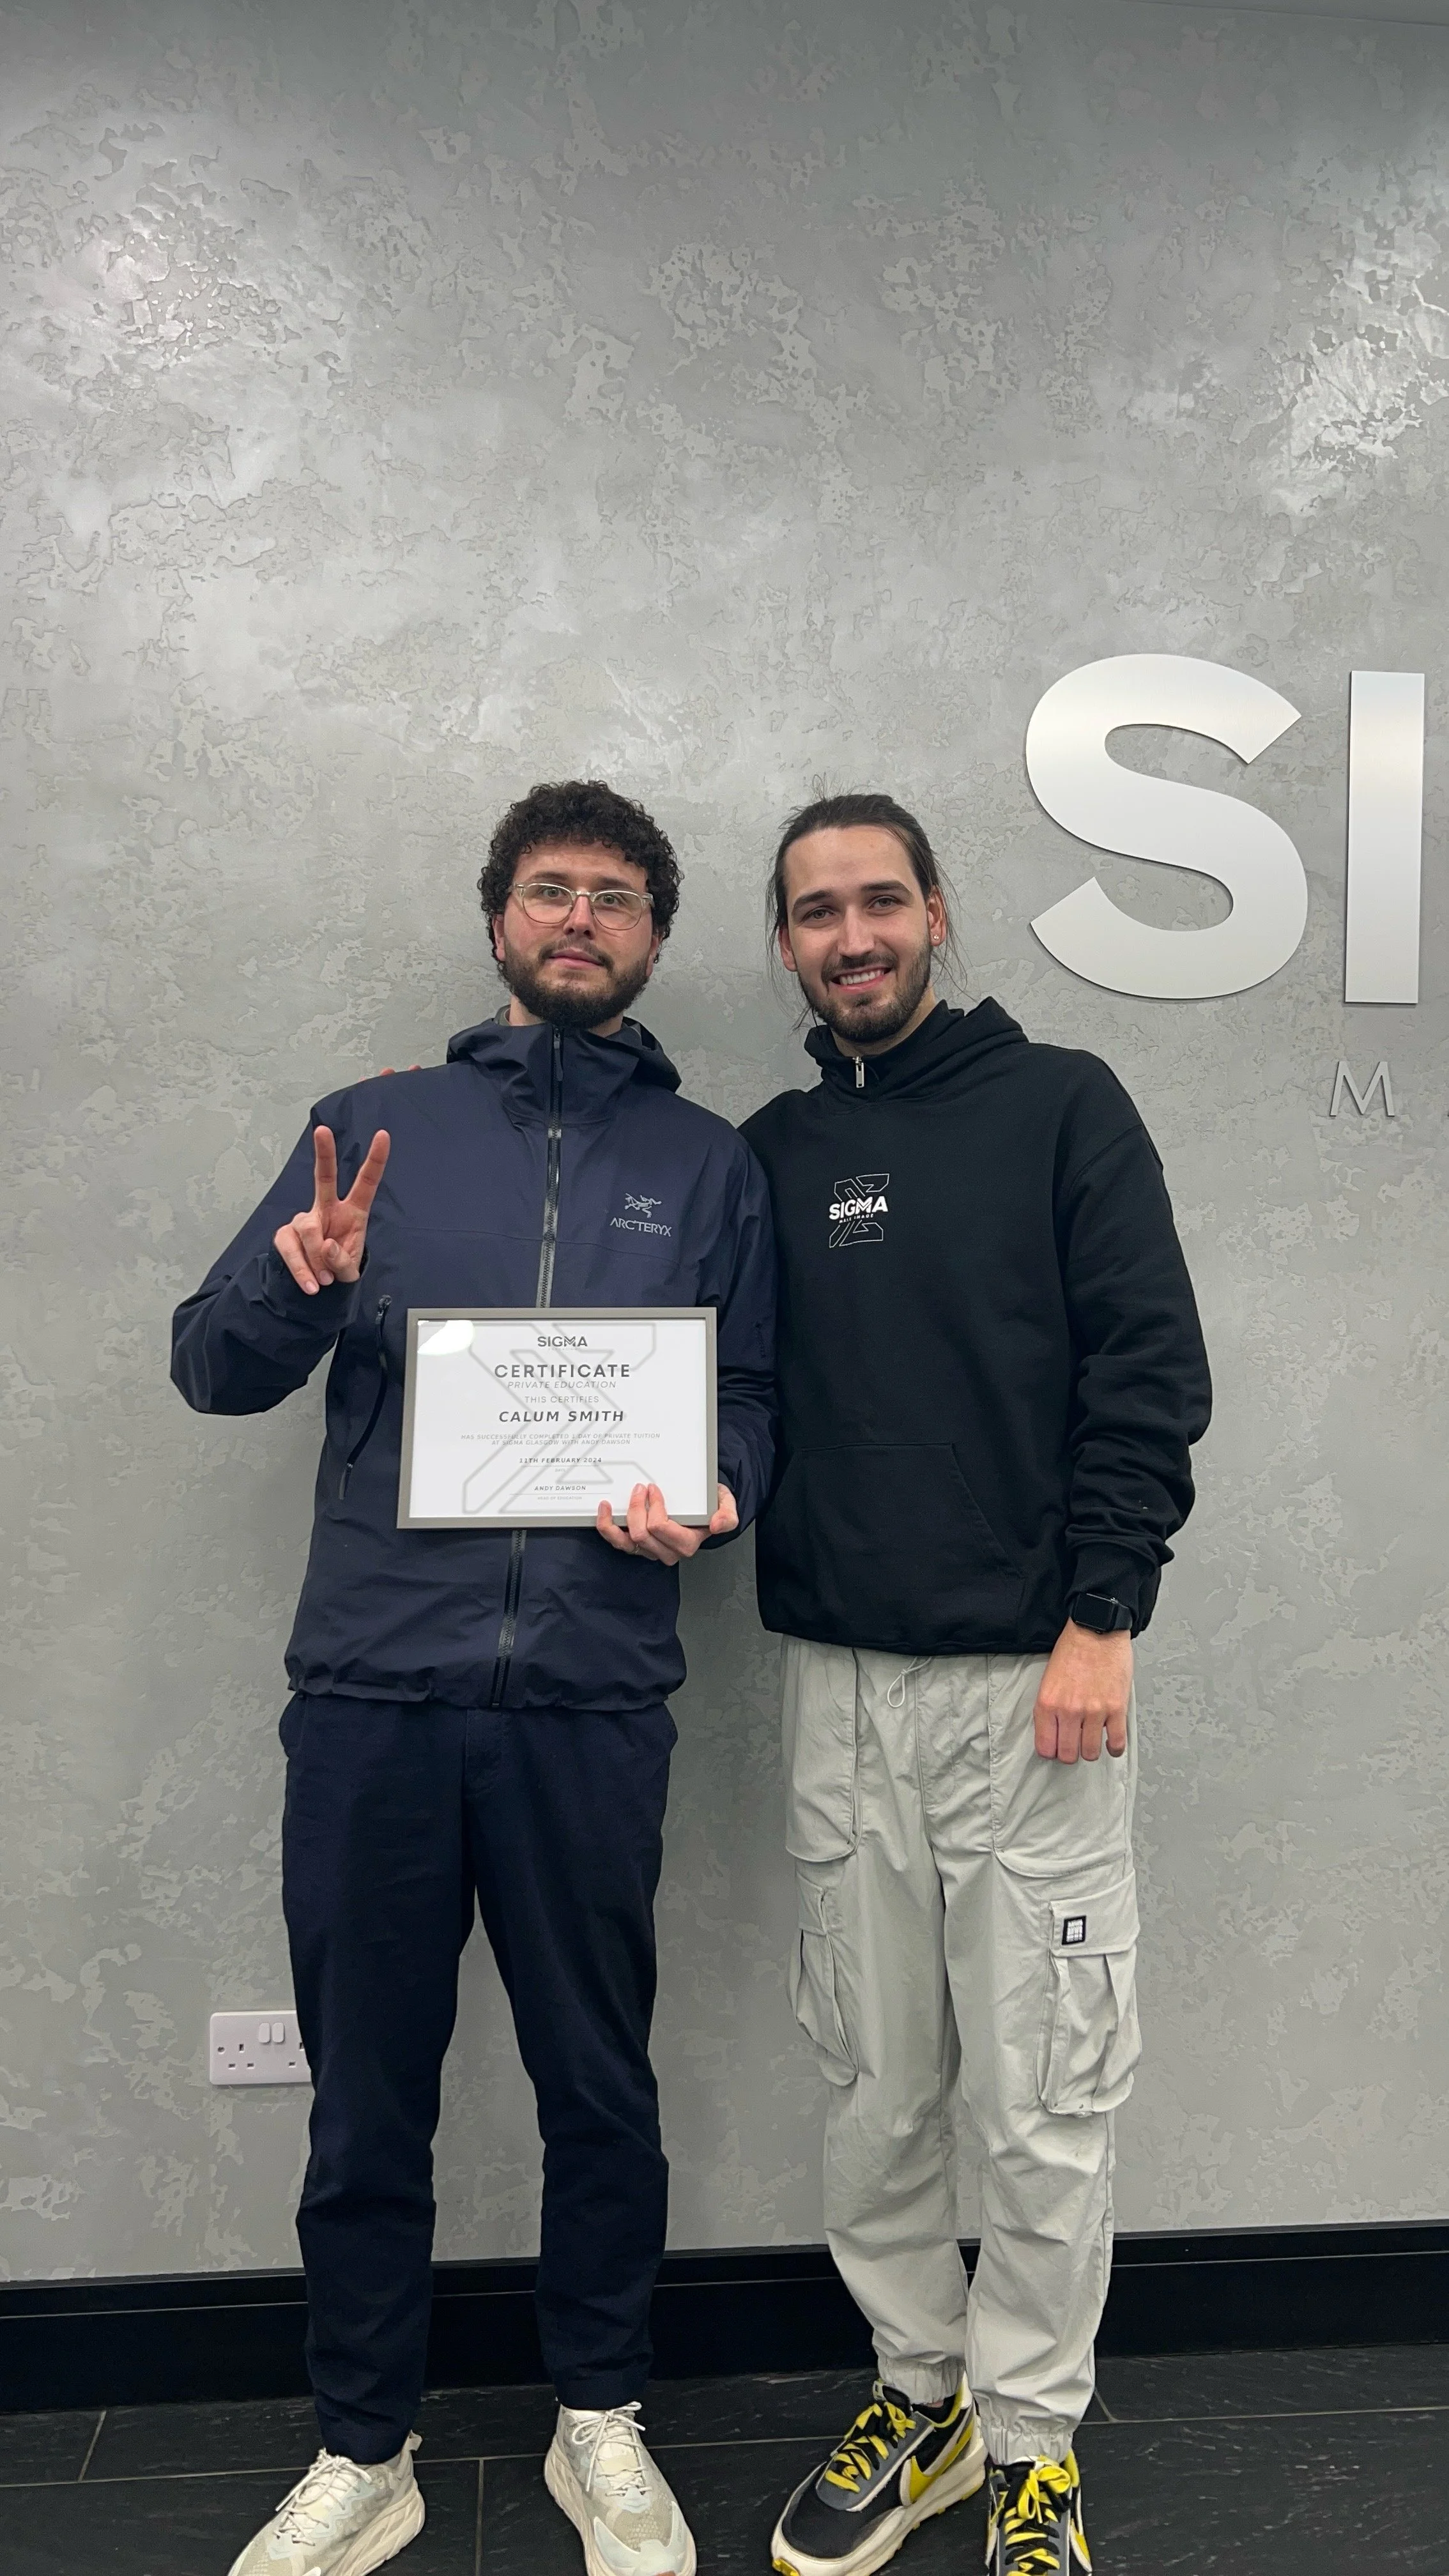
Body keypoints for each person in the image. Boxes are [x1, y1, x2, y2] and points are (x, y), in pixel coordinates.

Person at [171, 779, 775, 2576]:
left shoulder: (709, 1164)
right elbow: (211, 1369)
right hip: (373, 1690)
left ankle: (602, 2422)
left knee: (602, 2081)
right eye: (548, 893)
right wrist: (293, 1290)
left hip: (592, 1695)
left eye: (613, 898)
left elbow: (746, 1405)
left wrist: (722, 1493)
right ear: (498, 922)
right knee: (368, 2092)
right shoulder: (367, 1133)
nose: (578, 919)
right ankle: (368, 2446)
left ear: (653, 936)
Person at [740, 792, 1211, 2576]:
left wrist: (1104, 1614)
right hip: (838, 1687)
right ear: (781, 945)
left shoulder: (1062, 1109)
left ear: (936, 913)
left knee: (1039, 2093)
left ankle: (1029, 2441)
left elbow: (1148, 1368)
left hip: (1035, 1683)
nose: (850, 936)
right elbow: (721, 1392)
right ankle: (919, 2398)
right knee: (871, 2084)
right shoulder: (767, 1149)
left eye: (879, 901)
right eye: (814, 913)